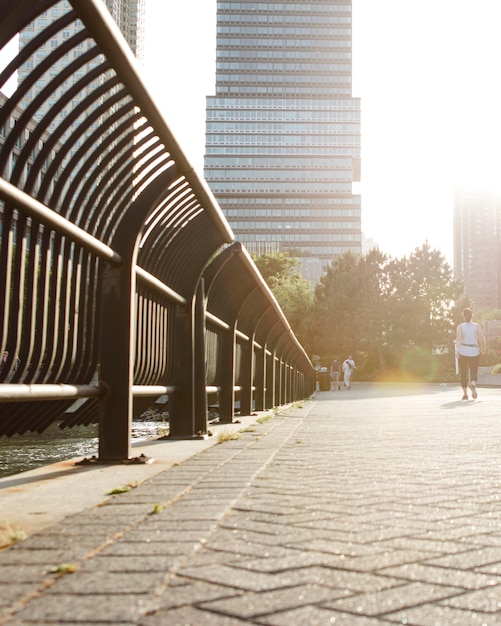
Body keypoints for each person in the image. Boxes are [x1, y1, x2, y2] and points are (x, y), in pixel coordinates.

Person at [455, 308, 486, 400]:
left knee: (463, 373)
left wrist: (457, 350)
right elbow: (481, 338)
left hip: (463, 351)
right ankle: (473, 384)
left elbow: (459, 339)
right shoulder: (477, 326)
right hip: (474, 351)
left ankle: (465, 394)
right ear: (472, 315)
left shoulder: (460, 326)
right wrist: (483, 348)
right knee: (474, 371)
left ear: (463, 316)